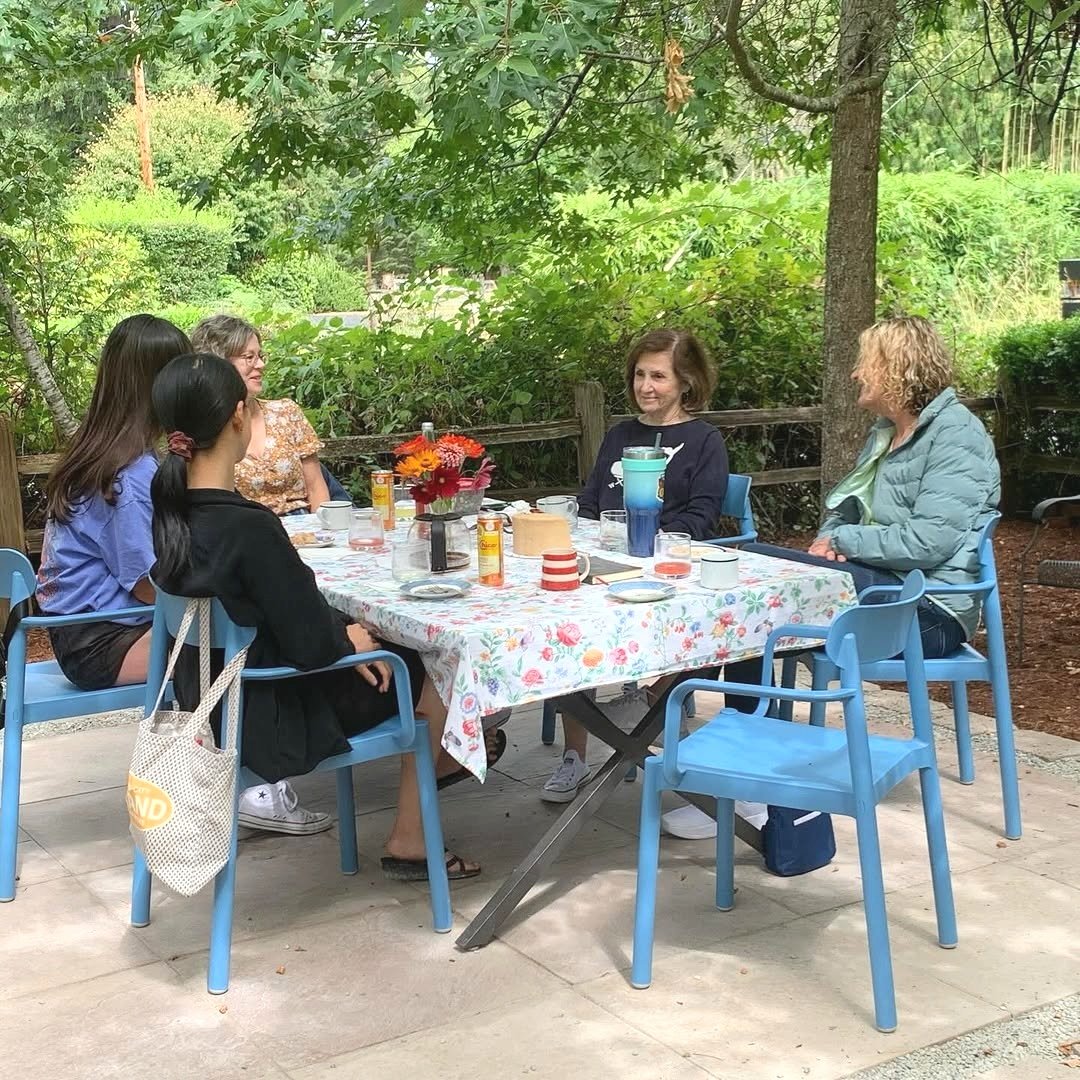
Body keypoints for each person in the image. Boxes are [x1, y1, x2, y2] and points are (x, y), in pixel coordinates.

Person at [149, 352, 479, 880]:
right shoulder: (249, 527)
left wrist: (343, 639)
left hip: (208, 702)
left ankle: (446, 764)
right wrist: (346, 645)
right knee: (438, 665)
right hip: (270, 718)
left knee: (377, 649)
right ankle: (415, 832)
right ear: (238, 417)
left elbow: (279, 617)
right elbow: (309, 645)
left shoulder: (172, 510)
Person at [670, 314, 1001, 840]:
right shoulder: (888, 431)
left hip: (927, 610)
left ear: (897, 369)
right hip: (879, 587)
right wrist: (831, 537)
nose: (854, 374)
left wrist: (843, 544)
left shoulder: (957, 436)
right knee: (758, 594)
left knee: (760, 591)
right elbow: (846, 506)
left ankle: (745, 785)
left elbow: (928, 542)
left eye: (865, 362)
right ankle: (744, 778)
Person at [543, 329, 730, 803]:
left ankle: (654, 722)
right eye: (640, 375)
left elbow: (702, 519)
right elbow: (589, 502)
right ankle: (576, 756)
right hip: (602, 563)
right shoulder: (620, 434)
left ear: (686, 381)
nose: (646, 385)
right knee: (561, 621)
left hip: (665, 572)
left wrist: (646, 541)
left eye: (659, 376)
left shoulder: (704, 441)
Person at [36, 315, 191, 691]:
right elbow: (148, 586)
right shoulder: (128, 477)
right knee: (236, 641)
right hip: (102, 644)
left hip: (84, 632)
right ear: (160, 388)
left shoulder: (102, 456)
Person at [189, 315, 349, 514]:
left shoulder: (286, 412)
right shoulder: (206, 427)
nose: (261, 365)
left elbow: (317, 486)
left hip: (308, 530)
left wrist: (321, 535)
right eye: (249, 357)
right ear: (219, 363)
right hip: (249, 531)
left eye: (261, 355)